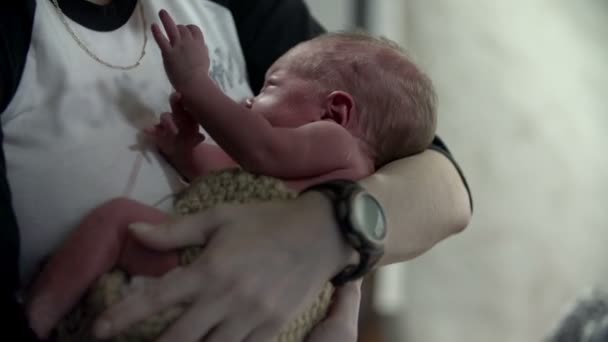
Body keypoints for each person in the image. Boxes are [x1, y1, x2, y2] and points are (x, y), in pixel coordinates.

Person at [0, 1, 472, 341]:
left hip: (222, 280)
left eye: (270, 85)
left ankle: (40, 316)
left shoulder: (332, 141)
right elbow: (225, 176)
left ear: (337, 110)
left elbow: (261, 149)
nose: (248, 99)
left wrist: (198, 86)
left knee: (119, 221)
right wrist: (186, 150)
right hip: (216, 287)